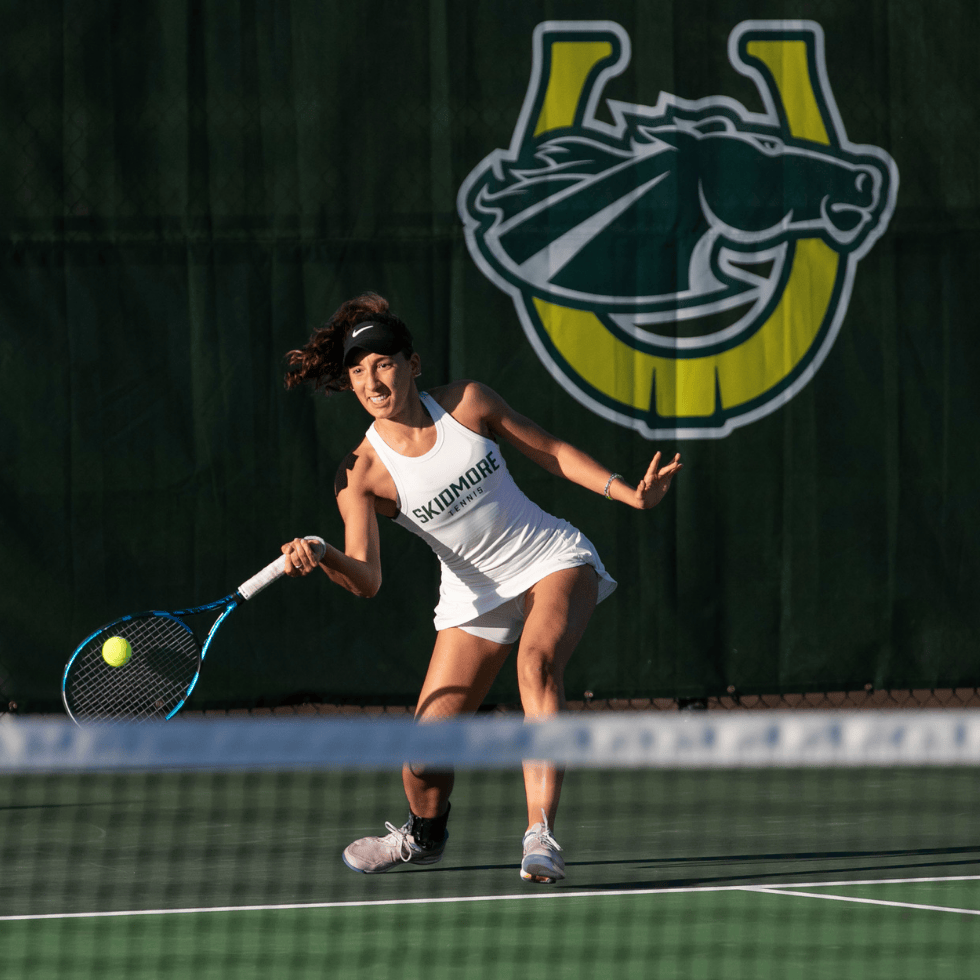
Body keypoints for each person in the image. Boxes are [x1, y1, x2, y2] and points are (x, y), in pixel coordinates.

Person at [281, 293, 681, 883]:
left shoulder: (468, 403)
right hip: (472, 597)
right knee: (421, 761)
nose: (372, 379)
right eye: (358, 370)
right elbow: (366, 580)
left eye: (383, 363)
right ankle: (424, 836)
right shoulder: (360, 474)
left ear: (412, 365)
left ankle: (539, 834)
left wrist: (630, 493)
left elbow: (550, 451)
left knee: (537, 664)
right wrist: (326, 555)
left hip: (552, 558)